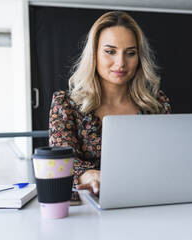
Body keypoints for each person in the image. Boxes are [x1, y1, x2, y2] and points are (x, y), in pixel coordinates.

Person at [49, 11, 171, 195]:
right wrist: (87, 175)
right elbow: (61, 160)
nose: (120, 62)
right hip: (89, 207)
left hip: (148, 199)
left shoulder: (156, 104)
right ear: (94, 54)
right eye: (110, 52)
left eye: (130, 53)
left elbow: (168, 159)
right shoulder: (65, 104)